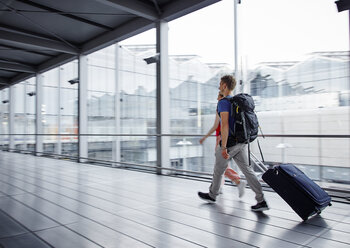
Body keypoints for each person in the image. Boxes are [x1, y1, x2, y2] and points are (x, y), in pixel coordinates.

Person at [198, 75, 269, 212]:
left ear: (225, 85)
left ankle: (212, 195)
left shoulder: (224, 102)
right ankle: (261, 200)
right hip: (241, 142)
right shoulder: (236, 102)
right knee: (248, 171)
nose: (219, 86)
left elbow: (224, 125)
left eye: (220, 84)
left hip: (230, 143)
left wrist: (224, 146)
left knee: (218, 170)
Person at [199, 92, 246, 197]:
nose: (217, 98)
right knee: (222, 165)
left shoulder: (221, 106)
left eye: (218, 96)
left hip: (222, 138)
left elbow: (216, 126)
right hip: (232, 138)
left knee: (220, 166)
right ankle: (219, 186)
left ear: (222, 97)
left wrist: (204, 137)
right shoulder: (232, 106)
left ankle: (237, 181)